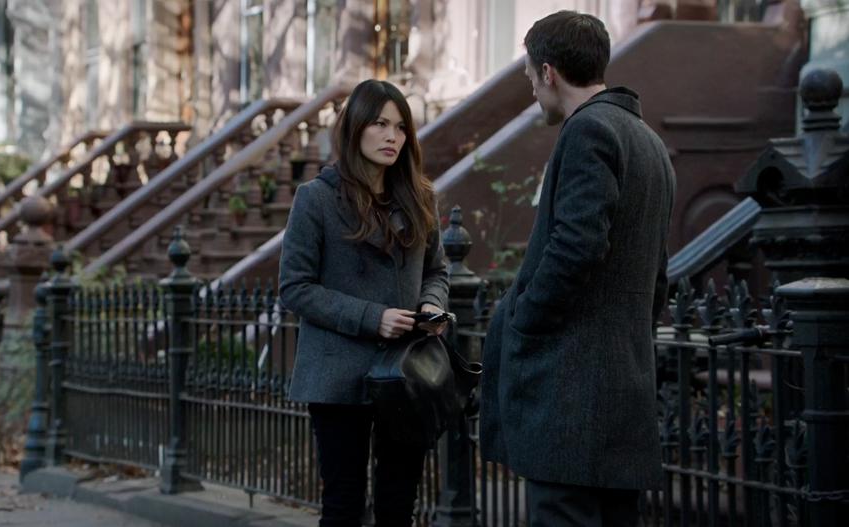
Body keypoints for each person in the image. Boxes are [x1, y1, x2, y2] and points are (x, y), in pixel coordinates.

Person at [478, 11, 675, 527]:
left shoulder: (587, 131)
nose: (533, 95)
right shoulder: (649, 142)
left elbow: (577, 246)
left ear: (548, 73)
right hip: (622, 394)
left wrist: (525, 319)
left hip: (570, 401)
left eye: (530, 80)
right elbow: (658, 274)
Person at [279, 79, 450, 526]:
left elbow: (436, 270)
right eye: (379, 124)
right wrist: (372, 318)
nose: (392, 136)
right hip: (338, 375)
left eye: (400, 128)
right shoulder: (315, 199)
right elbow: (295, 287)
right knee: (343, 507)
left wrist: (432, 306)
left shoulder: (420, 198)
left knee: (398, 508)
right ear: (355, 128)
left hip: (405, 375)